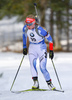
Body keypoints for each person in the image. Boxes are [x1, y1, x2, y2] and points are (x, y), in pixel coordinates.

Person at [22, 14, 55, 90]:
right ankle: (35, 83)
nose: (28, 26)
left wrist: (51, 50)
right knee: (32, 64)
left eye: (29, 24)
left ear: (34, 23)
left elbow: (50, 39)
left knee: (42, 67)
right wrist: (24, 47)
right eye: (26, 24)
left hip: (41, 48)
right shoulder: (25, 28)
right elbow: (24, 36)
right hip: (32, 47)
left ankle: (49, 83)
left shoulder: (41, 30)